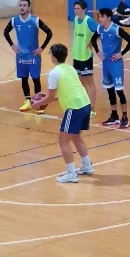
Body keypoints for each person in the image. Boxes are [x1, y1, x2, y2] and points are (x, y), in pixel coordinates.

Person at [31, 43, 94, 183]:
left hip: (74, 107)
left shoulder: (54, 73)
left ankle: (71, 174)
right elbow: (62, 93)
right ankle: (87, 166)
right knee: (75, 136)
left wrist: (37, 104)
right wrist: (44, 100)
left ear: (53, 57)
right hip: (85, 103)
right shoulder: (70, 68)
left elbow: (50, 97)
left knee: (63, 140)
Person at [3, 0, 53, 111]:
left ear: (29, 7)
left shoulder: (35, 20)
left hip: (33, 56)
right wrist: (12, 45)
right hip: (21, 56)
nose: (22, 7)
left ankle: (38, 103)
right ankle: (27, 101)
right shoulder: (14, 20)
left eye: (24, 5)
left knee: (35, 79)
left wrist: (41, 48)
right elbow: (5, 32)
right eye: (20, 5)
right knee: (24, 79)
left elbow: (49, 33)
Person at [92, 7, 130, 129]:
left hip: (116, 64)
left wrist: (121, 53)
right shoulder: (100, 29)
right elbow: (93, 40)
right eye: (99, 16)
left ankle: (125, 117)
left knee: (119, 91)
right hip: (106, 63)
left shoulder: (116, 29)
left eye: (102, 16)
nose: (100, 19)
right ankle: (114, 115)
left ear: (109, 17)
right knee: (109, 90)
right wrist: (98, 52)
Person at [71, 0, 98, 117]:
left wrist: (92, 42)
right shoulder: (75, 20)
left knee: (90, 82)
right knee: (80, 82)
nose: (76, 11)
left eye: (78, 8)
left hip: (86, 56)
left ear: (84, 9)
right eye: (75, 8)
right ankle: (84, 105)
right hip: (77, 56)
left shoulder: (89, 21)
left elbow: (99, 31)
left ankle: (92, 108)